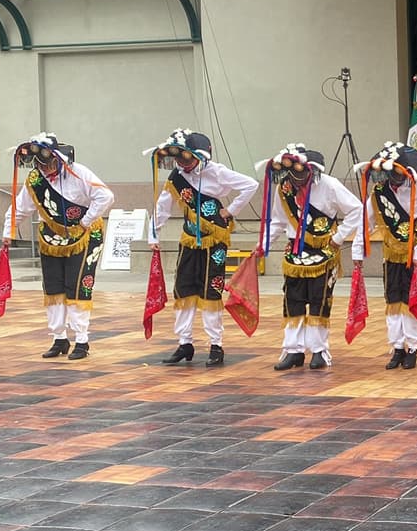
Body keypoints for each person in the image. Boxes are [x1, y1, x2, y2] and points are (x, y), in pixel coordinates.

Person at [148, 129, 258, 367]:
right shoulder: (176, 179)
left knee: (211, 290)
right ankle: (184, 342)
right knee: (184, 289)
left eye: (186, 158)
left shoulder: (216, 172)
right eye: (178, 159)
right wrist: (153, 232)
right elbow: (163, 206)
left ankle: (215, 344)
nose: (181, 163)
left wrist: (231, 211)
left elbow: (250, 185)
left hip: (215, 239)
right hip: (189, 239)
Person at [1, 134, 114, 360]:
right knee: (53, 288)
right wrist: (8, 231)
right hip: (51, 238)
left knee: (77, 286)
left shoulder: (78, 173)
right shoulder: (35, 180)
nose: (43, 168)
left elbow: (106, 197)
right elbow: (20, 207)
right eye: (38, 163)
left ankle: (82, 340)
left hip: (83, 236)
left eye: (47, 162)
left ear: (57, 159)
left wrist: (85, 221)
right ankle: (59, 338)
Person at [257, 144, 363, 371]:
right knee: (292, 301)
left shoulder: (330, 185)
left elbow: (356, 209)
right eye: (293, 176)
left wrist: (339, 237)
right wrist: (263, 245)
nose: (297, 181)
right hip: (296, 251)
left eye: (301, 175)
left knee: (319, 301)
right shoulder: (284, 189)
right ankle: (293, 350)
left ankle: (319, 351)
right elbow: (277, 220)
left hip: (324, 251)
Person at [352, 141, 417, 369]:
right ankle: (397, 347)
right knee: (393, 300)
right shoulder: (379, 193)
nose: (392, 177)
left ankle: (413, 347)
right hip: (392, 253)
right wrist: (358, 250)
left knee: (411, 298)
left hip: (415, 252)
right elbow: (365, 222)